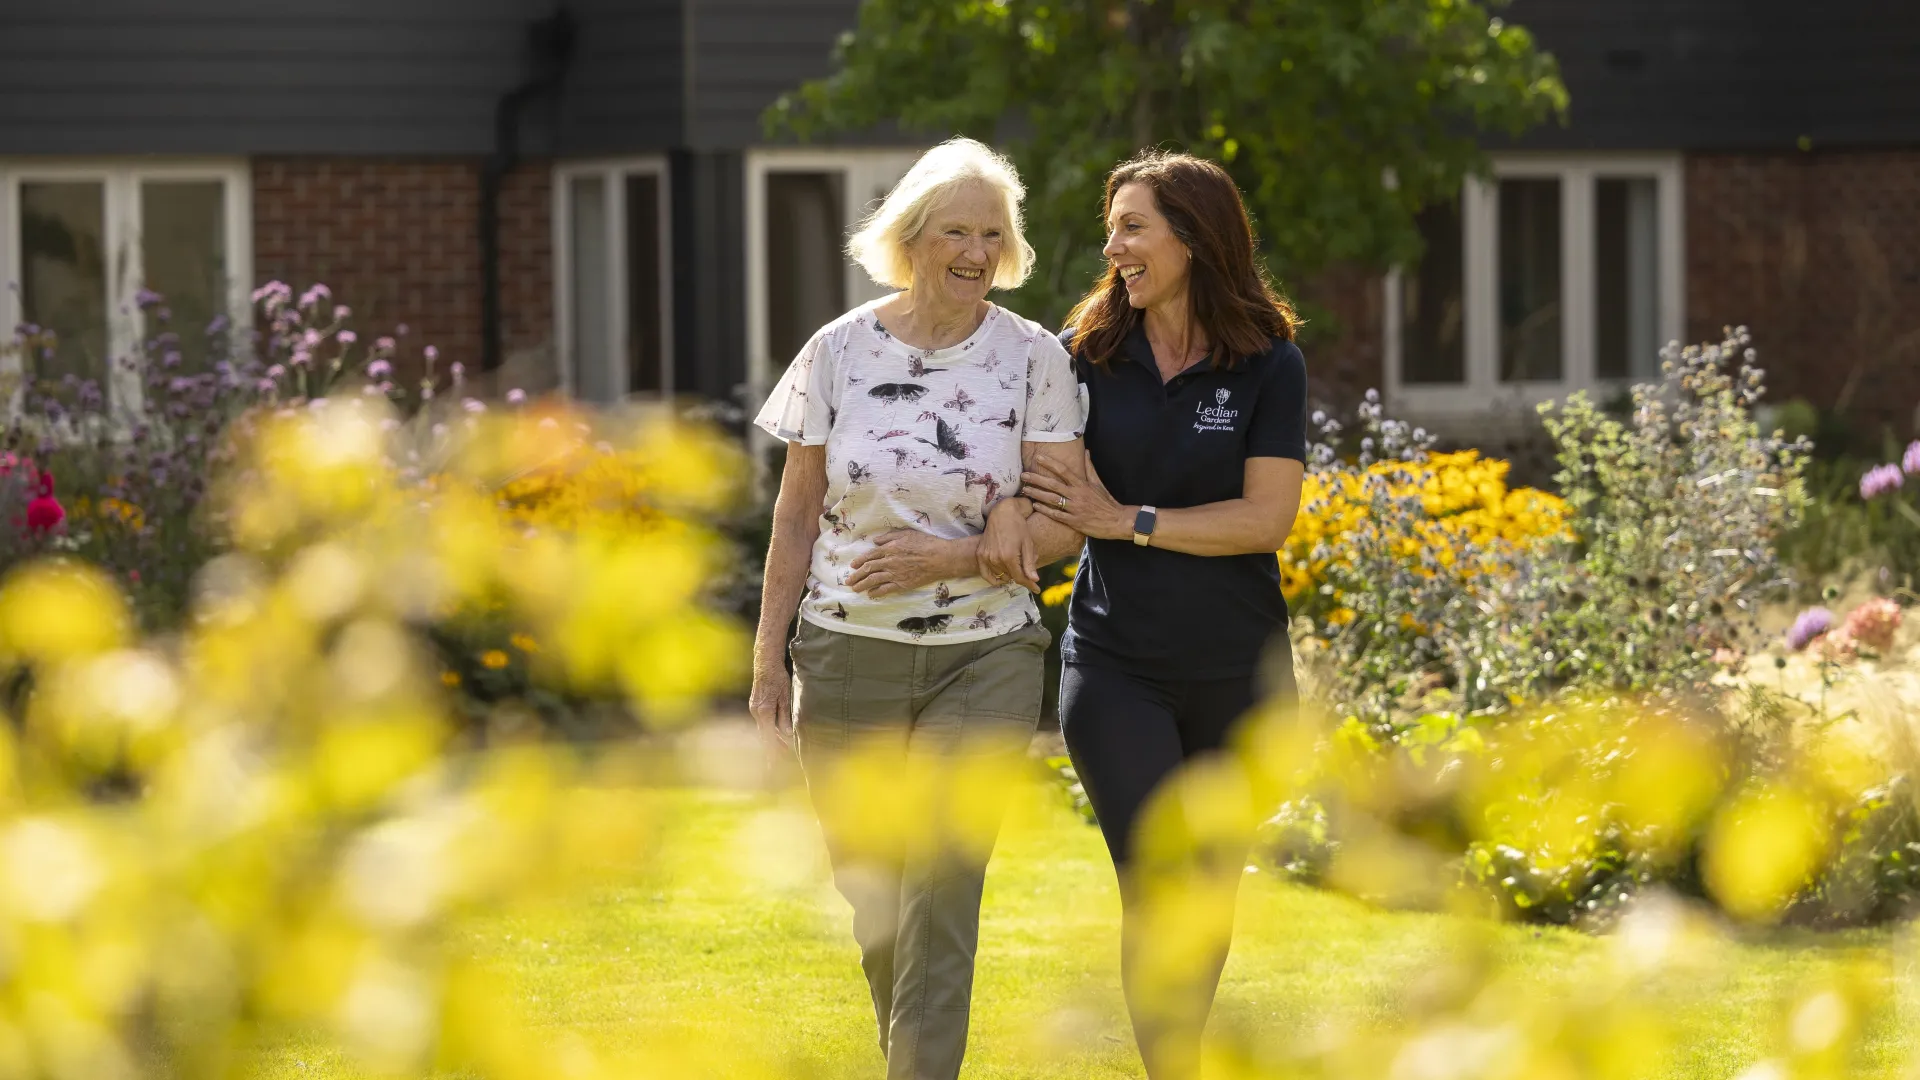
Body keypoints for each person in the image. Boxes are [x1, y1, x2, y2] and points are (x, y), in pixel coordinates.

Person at [747, 136, 1086, 1080]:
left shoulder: (1034, 360)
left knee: (942, 884)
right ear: (911, 238)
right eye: (955, 231)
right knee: (877, 896)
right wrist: (770, 658)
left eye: (992, 233)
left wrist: (960, 553)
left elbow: (1068, 520)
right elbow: (798, 510)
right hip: (845, 650)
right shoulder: (839, 350)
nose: (975, 251)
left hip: (988, 653)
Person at [988, 150, 1307, 1079]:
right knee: (1157, 881)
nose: (1112, 244)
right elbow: (1036, 484)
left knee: (1207, 890)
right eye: (1113, 225)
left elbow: (1265, 520)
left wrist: (1124, 520)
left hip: (1240, 669)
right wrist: (1018, 513)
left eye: (1135, 226)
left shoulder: (1267, 362)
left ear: (1195, 239)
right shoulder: (1084, 356)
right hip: (1116, 661)